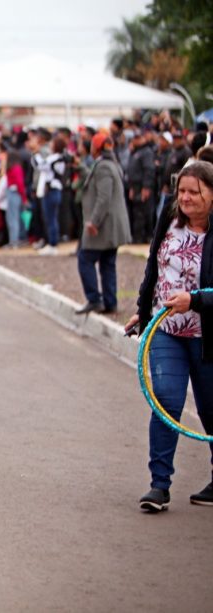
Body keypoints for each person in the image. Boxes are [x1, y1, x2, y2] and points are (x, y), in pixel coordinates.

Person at [124, 161, 213, 513]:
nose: (186, 198)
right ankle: (159, 486)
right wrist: (144, 313)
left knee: (210, 409)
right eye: (182, 192)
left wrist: (195, 300)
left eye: (196, 192)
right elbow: (153, 268)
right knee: (166, 401)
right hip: (167, 331)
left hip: (207, 335)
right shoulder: (169, 217)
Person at [75, 132, 131, 315]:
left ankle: (94, 299)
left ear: (96, 147)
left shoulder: (104, 167)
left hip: (103, 226)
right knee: (108, 263)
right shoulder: (109, 164)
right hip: (109, 226)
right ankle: (110, 302)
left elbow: (104, 198)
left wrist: (93, 221)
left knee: (85, 258)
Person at [127, 129, 157, 243]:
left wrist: (146, 187)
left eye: (138, 138)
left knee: (145, 212)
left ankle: (147, 236)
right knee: (137, 212)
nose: (136, 140)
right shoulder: (135, 152)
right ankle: (138, 237)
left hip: (143, 186)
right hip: (134, 186)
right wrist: (131, 187)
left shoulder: (146, 152)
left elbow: (149, 170)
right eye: (135, 138)